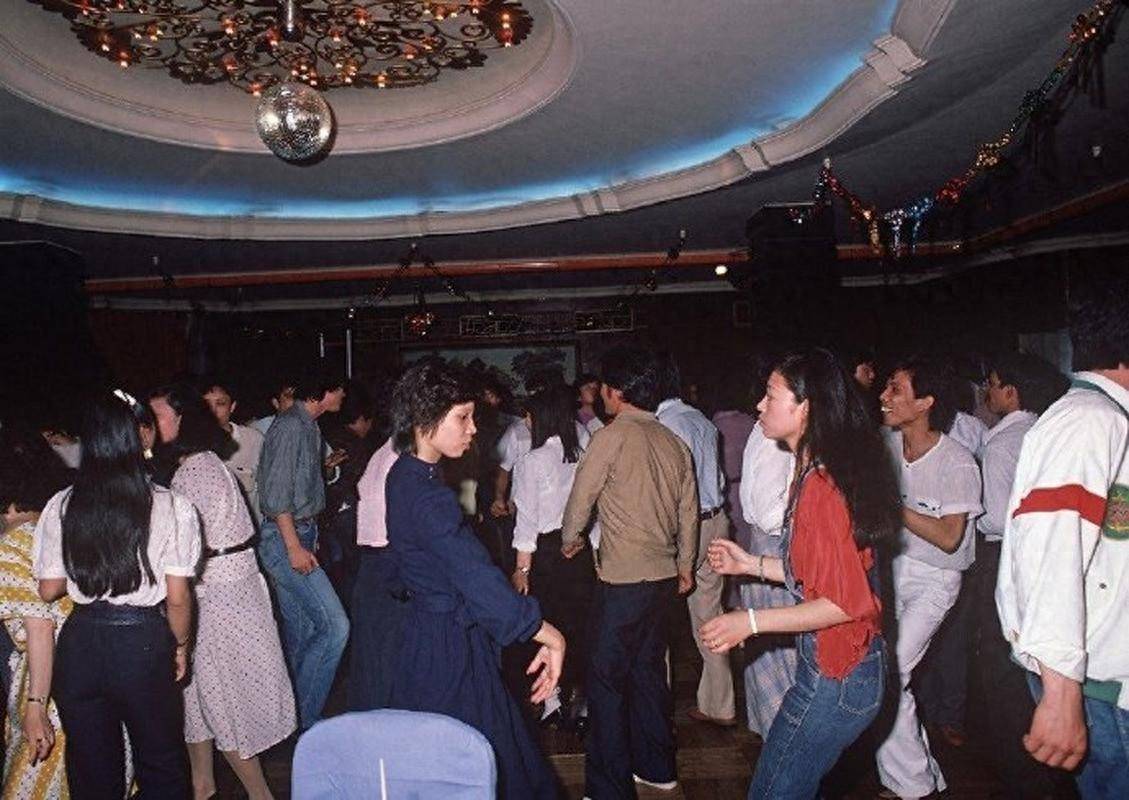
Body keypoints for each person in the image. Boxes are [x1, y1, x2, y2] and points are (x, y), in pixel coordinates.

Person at [700, 348, 901, 799]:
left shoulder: (822, 487)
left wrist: (750, 622)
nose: (759, 405)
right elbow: (818, 575)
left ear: (805, 407)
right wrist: (750, 564)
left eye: (771, 396)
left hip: (838, 678)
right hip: (837, 673)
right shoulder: (813, 474)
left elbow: (844, 603)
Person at [384, 362, 565, 800]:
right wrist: (548, 634)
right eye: (462, 417)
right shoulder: (428, 495)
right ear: (426, 419)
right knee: (482, 763)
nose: (472, 429)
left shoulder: (405, 473)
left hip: (429, 635)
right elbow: (476, 577)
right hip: (446, 646)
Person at [996, 274, 1129, 799]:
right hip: (1099, 691)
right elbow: (1052, 552)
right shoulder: (1089, 422)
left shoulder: (1104, 419)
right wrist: (1061, 692)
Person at [33, 393, 201, 799]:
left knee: (92, 773)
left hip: (82, 644)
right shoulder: (171, 506)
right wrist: (180, 645)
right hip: (142, 643)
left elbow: (48, 588)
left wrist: (90, 565)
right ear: (135, 438)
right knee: (161, 766)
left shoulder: (62, 504)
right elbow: (178, 597)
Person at [560, 344, 698, 798]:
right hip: (662, 580)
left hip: (622, 581)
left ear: (615, 390)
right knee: (648, 672)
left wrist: (570, 538)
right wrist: (685, 566)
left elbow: (581, 498)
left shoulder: (610, 436)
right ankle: (657, 768)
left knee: (604, 681)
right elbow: (688, 513)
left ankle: (608, 789)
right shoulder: (675, 443)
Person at [160, 386, 296, 800]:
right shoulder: (201, 462)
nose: (147, 425)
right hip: (227, 586)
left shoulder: (193, 472)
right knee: (199, 697)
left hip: (218, 594)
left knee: (223, 700)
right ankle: (203, 787)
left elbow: (180, 550)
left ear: (182, 420)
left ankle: (259, 795)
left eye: (158, 416)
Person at [875, 356, 982, 800]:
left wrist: (893, 507)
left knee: (890, 674)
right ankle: (922, 776)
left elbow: (950, 537)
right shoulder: (884, 445)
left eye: (896, 389)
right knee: (884, 673)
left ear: (925, 403)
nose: (884, 396)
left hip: (936, 581)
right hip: (892, 571)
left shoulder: (957, 461)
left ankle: (915, 786)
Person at [968, 352, 1068, 799]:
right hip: (1043, 555)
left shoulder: (1001, 444)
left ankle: (1018, 771)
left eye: (992, 384)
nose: (987, 393)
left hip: (1002, 556)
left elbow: (995, 517)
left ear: (1011, 392)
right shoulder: (1044, 432)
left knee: (999, 662)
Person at [255, 364, 349, 732]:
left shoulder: (309, 425)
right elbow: (277, 496)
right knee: (336, 627)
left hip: (300, 534)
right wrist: (294, 546)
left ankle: (285, 719)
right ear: (326, 390)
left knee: (303, 634)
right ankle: (307, 720)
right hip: (285, 539)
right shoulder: (291, 426)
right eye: (340, 388)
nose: (343, 396)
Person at [510, 385, 596, 731]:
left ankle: (552, 702)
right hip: (579, 550)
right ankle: (583, 702)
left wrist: (521, 568)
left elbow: (526, 521)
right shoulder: (583, 452)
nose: (526, 422)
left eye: (529, 415)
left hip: (546, 554)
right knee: (581, 625)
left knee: (546, 627)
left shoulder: (532, 462)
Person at [655, 354, 734, 727]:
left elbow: (668, 491)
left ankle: (657, 707)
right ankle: (720, 705)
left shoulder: (662, 426)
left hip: (685, 528)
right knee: (710, 616)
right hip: (716, 521)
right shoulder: (701, 419)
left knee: (656, 617)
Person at [0, 423, 72, 799]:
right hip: (86, 674)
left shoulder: (11, 547)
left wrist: (35, 706)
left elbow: (40, 628)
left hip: (50, 687)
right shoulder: (56, 528)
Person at [737, 420, 797, 739]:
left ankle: (783, 743)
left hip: (768, 550)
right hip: (772, 548)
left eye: (770, 397)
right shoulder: (772, 436)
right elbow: (769, 515)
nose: (762, 405)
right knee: (779, 660)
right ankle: (783, 741)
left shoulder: (771, 433)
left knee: (778, 659)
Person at [346, 435, 401, 712]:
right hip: (389, 560)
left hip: (373, 560)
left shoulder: (384, 450)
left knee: (371, 654)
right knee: (386, 657)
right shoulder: (404, 456)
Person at [200, 377, 265, 524]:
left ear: (232, 406)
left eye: (220, 403)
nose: (213, 411)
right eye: (206, 404)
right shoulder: (189, 445)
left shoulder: (253, 440)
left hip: (248, 531)